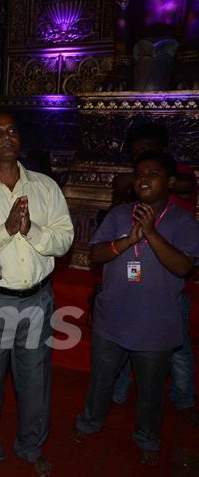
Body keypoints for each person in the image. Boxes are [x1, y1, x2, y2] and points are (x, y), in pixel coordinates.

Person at [0, 112, 74, 477]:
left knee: (35, 381)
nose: (6, 137)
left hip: (39, 299)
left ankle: (31, 445)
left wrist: (33, 229)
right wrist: (7, 230)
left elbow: (65, 239)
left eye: (12, 130)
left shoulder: (45, 187)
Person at [70, 151, 199, 464]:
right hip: (112, 319)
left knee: (151, 391)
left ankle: (147, 437)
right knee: (101, 381)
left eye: (153, 174)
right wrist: (128, 241)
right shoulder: (119, 214)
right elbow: (96, 255)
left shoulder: (183, 221)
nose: (143, 179)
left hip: (156, 325)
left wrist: (151, 233)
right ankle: (90, 422)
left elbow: (183, 267)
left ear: (169, 182)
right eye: (140, 173)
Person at [110, 123, 199, 427]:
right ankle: (119, 389)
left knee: (177, 345)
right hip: (133, 276)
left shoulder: (177, 177)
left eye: (150, 168)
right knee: (122, 338)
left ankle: (184, 397)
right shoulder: (136, 188)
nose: (143, 178)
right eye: (136, 160)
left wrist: (153, 177)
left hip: (167, 279)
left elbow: (185, 183)